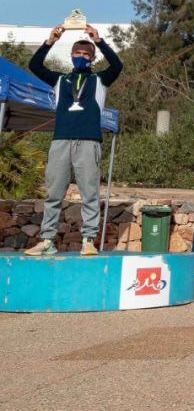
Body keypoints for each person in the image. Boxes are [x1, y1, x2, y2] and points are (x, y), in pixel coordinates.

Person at [24, 23, 123, 256]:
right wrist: (51, 40)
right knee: (54, 192)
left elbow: (117, 65)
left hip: (89, 142)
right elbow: (34, 65)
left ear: (92, 58)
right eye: (77, 53)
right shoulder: (60, 79)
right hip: (61, 141)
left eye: (86, 54)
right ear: (71, 56)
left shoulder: (100, 80)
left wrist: (98, 40)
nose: (81, 57)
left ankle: (88, 240)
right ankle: (47, 241)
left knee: (89, 192)